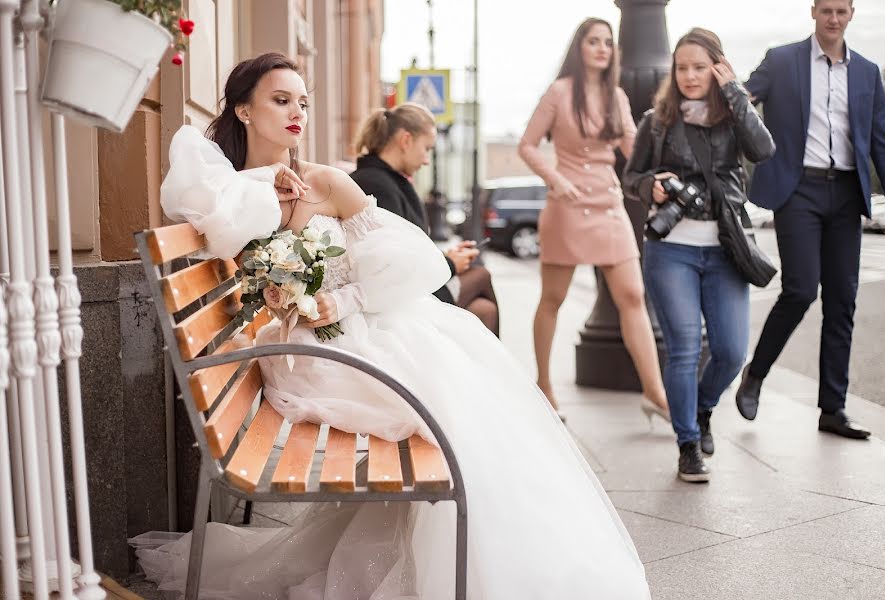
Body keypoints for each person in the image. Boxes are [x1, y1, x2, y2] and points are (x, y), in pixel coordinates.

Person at [132, 53, 651, 599]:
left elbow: (419, 258)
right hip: (311, 356)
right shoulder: (235, 195)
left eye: (303, 103)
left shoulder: (324, 181)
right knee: (454, 410)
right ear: (243, 110)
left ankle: (500, 568)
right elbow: (242, 260)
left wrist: (349, 297)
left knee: (468, 394)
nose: (297, 114)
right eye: (280, 101)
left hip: (356, 330)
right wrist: (281, 255)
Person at [736, 0, 885, 439]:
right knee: (801, 289)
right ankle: (756, 373)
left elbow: (882, 141)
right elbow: (743, 98)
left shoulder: (866, 73)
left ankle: (833, 408)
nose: (833, 18)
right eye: (826, 10)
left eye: (840, 11)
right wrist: (723, 88)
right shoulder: (782, 59)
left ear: (851, 14)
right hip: (798, 189)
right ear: (813, 12)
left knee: (843, 300)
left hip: (847, 192)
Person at [623, 28, 775, 482]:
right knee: (685, 348)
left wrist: (735, 93)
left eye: (699, 67)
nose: (689, 76)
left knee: (730, 352)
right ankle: (688, 443)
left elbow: (763, 150)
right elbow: (629, 177)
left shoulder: (733, 114)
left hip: (725, 248)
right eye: (682, 67)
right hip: (671, 250)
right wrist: (646, 184)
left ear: (717, 67)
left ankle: (703, 409)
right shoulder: (658, 120)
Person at [519, 17, 669, 423]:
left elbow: (633, 151)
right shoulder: (559, 92)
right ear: (579, 47)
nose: (603, 48)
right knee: (553, 299)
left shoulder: (616, 96)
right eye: (594, 41)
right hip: (566, 206)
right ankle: (544, 386)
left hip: (609, 205)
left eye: (608, 42)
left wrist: (660, 163)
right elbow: (527, 146)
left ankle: (654, 392)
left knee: (633, 296)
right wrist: (556, 180)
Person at [350, 103, 500, 336]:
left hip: (413, 288)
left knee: (484, 309)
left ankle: (484, 369)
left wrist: (448, 258)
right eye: (427, 148)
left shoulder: (385, 181)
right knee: (482, 275)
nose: (427, 159)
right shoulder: (377, 185)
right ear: (406, 140)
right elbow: (394, 264)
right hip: (403, 299)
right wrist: (450, 264)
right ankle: (494, 369)